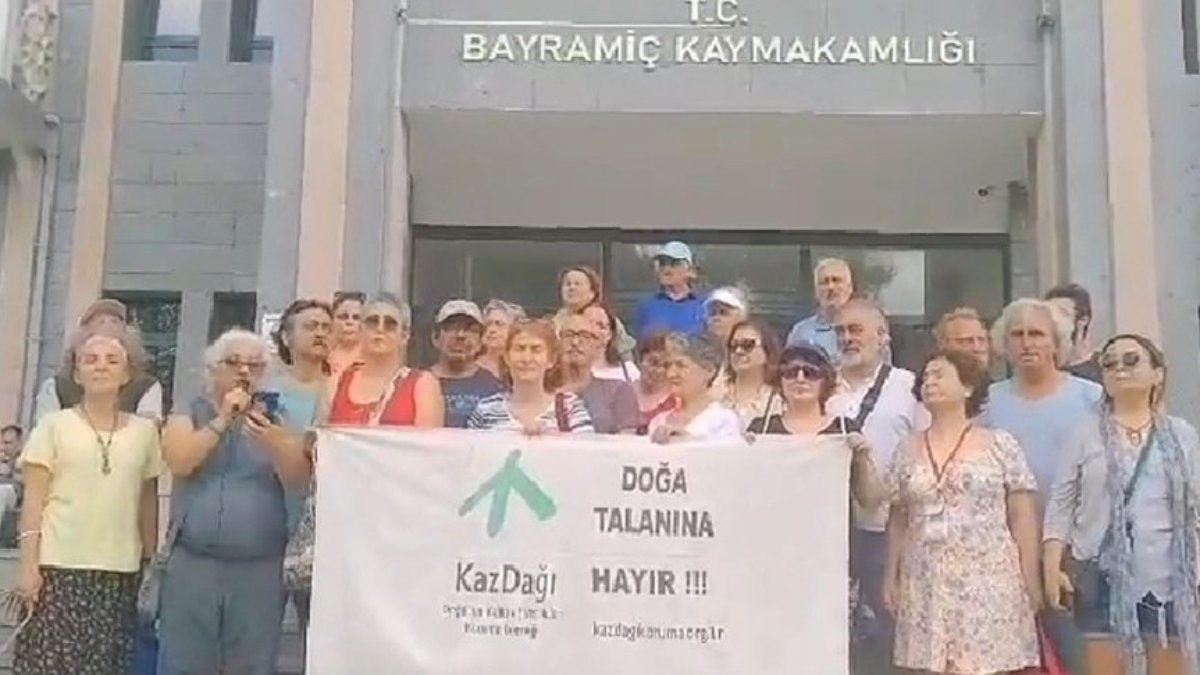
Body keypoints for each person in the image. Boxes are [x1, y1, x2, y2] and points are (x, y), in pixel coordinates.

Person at [1044, 334, 1200, 674]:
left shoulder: (1182, 436)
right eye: (1109, 363)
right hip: (1102, 576)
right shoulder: (1083, 433)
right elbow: (1061, 504)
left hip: (1169, 579)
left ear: (1158, 373)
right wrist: (1052, 567)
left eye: (1131, 360)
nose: (1119, 369)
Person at [157, 329, 310, 675]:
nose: (244, 371)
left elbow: (299, 479)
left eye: (254, 366)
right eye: (233, 362)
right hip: (194, 563)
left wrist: (275, 443)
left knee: (252, 665)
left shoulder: (277, 415)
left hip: (259, 568)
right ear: (213, 369)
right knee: (185, 663)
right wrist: (223, 419)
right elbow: (180, 460)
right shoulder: (190, 408)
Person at [13, 329, 163, 675]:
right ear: (77, 373)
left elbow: (147, 502)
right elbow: (33, 503)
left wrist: (151, 561)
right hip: (57, 569)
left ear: (127, 373)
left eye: (112, 360)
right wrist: (28, 567)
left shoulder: (144, 433)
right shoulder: (53, 426)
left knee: (106, 666)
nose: (101, 367)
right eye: (90, 360)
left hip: (119, 573)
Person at [884, 349, 1042, 675]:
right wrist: (891, 575)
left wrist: (1031, 577)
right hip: (925, 575)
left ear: (968, 387)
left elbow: (1022, 515)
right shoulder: (906, 448)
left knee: (987, 665)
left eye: (940, 375)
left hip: (988, 577)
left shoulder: (999, 444)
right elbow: (898, 517)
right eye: (926, 377)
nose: (930, 382)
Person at [979, 297, 1102, 675]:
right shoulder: (988, 402)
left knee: (1079, 656)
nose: (1027, 343)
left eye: (1037, 334)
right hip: (1008, 551)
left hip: (1078, 550)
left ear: (1056, 342)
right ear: (1004, 344)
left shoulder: (1092, 398)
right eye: (1017, 335)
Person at [747, 341, 885, 656]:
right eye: (791, 372)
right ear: (779, 380)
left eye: (810, 372)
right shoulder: (761, 429)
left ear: (825, 381)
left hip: (833, 561)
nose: (800, 378)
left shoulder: (843, 429)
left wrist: (864, 457)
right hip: (775, 560)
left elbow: (870, 501)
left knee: (830, 646)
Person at [828, 297, 926, 674]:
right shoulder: (820, 385)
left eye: (856, 329)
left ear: (882, 336)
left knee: (891, 629)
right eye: (840, 331)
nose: (847, 338)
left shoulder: (910, 387)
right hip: (831, 531)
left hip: (889, 529)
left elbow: (926, 450)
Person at [264, 298, 333, 663]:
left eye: (325, 327)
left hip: (321, 528)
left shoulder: (340, 389)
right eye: (310, 326)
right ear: (287, 337)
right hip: (269, 517)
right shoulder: (267, 390)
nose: (320, 333)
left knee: (316, 635)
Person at [34, 298, 163, 423]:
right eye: (100, 321)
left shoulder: (145, 387)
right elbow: (45, 427)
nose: (108, 326)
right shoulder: (56, 387)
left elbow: (148, 429)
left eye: (114, 321)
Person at [323, 294, 443, 427]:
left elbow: (428, 439)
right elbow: (322, 436)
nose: (380, 329)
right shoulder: (337, 383)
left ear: (404, 336)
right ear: (360, 330)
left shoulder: (422, 384)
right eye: (373, 322)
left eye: (390, 324)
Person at [467, 319, 593, 433]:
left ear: (551, 359)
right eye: (520, 348)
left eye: (536, 349)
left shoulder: (570, 409)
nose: (526, 358)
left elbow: (586, 450)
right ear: (507, 357)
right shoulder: (486, 410)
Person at [647, 333, 743, 443]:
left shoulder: (723, 419)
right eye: (667, 366)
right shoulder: (659, 421)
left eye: (681, 366)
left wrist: (687, 439)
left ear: (709, 370)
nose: (671, 374)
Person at [559, 313, 639, 434]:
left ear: (597, 345)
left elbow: (628, 440)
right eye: (568, 335)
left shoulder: (618, 390)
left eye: (585, 336)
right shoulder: (542, 390)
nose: (575, 342)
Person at [429, 300, 503, 428]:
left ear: (481, 340)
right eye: (452, 328)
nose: (460, 335)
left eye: (471, 329)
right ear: (435, 337)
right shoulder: (417, 385)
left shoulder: (496, 388)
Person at [554, 265, 635, 357]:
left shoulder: (605, 321)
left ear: (592, 292)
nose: (571, 288)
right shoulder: (554, 322)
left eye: (577, 284)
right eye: (567, 284)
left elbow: (625, 354)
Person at [633, 241, 706, 338]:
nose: (666, 269)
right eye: (662, 263)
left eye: (674, 264)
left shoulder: (704, 305)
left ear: (689, 270)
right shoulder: (646, 306)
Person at [786, 257, 855, 359]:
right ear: (816, 291)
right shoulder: (801, 332)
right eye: (824, 282)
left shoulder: (864, 328)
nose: (830, 287)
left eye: (836, 280)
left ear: (849, 288)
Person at [722, 319, 782, 429]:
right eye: (733, 345)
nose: (739, 351)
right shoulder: (716, 393)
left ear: (767, 349)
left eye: (747, 345)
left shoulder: (779, 399)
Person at [1045, 282, 1102, 383]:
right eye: (1049, 315)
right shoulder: (1043, 373)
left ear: (1083, 320)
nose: (1055, 320)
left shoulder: (1105, 368)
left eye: (1062, 313)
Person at [582, 303, 640, 382]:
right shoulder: (569, 375)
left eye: (601, 326)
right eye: (588, 324)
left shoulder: (630, 371)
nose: (594, 331)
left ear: (609, 334)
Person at [633, 331, 676, 434]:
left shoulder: (678, 400)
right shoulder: (621, 392)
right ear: (639, 361)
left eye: (666, 365)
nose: (659, 370)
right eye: (653, 362)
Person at [933, 306, 990, 371]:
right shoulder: (931, 376)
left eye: (981, 340)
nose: (976, 347)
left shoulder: (997, 377)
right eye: (966, 341)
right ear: (944, 343)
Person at [478, 299, 525, 378]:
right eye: (488, 324)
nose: (491, 330)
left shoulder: (525, 366)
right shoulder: (471, 366)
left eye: (499, 324)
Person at [327, 291, 365, 380]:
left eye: (356, 318)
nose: (349, 322)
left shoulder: (372, 360)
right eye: (343, 317)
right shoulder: (321, 357)